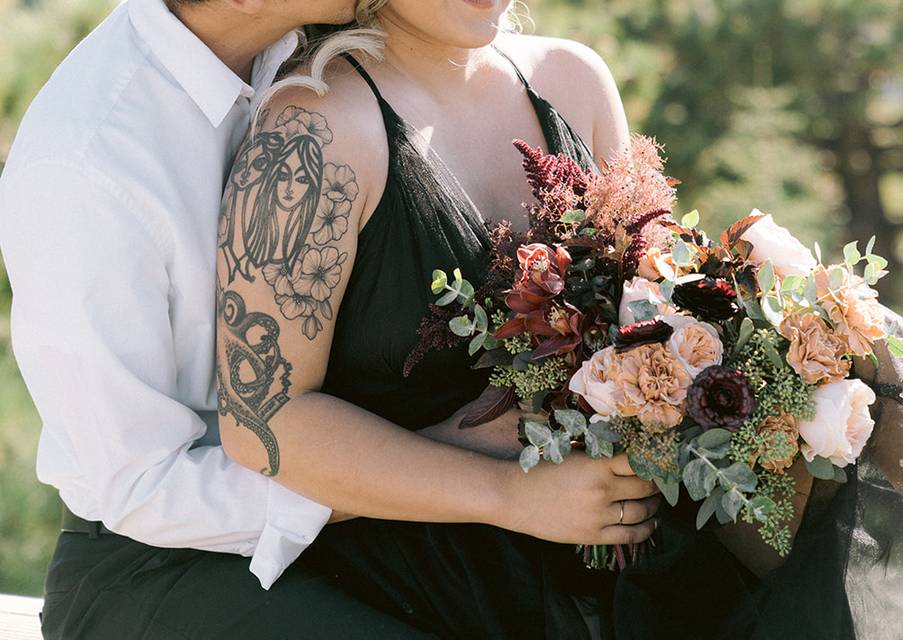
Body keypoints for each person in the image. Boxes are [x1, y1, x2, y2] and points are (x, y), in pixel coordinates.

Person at [214, 1, 903, 639]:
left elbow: (656, 298)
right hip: (439, 563)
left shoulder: (573, 79)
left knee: (825, 318)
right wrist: (510, 496)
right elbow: (262, 421)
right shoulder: (313, 132)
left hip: (638, 523)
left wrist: (751, 297)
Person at [0, 0, 660, 638]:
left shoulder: (289, 46)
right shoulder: (87, 162)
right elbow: (142, 484)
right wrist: (483, 472)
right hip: (164, 561)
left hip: (404, 517)